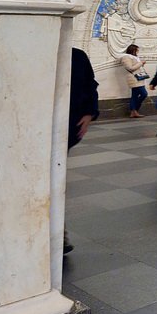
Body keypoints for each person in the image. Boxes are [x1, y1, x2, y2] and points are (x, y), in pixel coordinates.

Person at [66, 48, 100, 253]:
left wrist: (89, 112)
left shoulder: (76, 56)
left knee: (53, 179)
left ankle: (58, 235)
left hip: (67, 127)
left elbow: (90, 85)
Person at [119, 43, 150, 117]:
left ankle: (133, 112)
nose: (137, 52)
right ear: (133, 50)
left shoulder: (134, 57)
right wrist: (140, 63)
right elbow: (130, 68)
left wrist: (141, 64)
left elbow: (136, 67)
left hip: (139, 78)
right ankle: (134, 109)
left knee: (135, 95)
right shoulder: (126, 57)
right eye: (137, 50)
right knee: (144, 93)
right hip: (134, 78)